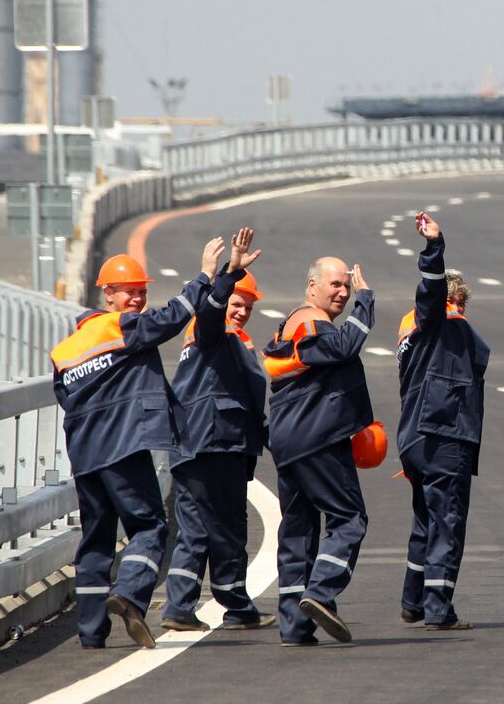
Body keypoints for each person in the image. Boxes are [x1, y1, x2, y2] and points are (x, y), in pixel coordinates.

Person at [50, 241, 221, 649]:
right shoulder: (124, 327)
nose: (138, 298)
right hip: (123, 448)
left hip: (86, 456)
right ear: (106, 294)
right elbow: (174, 316)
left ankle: (91, 632)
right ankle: (129, 595)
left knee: (96, 538)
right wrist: (205, 276)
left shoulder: (66, 350)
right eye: (128, 290)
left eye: (141, 291)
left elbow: (64, 398)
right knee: (149, 525)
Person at [163, 227, 275, 632]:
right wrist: (226, 274)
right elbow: (210, 311)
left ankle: (178, 606)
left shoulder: (231, 339)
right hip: (215, 444)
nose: (241, 311)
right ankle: (236, 604)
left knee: (194, 527)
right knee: (228, 526)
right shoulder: (212, 331)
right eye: (236, 303)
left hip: (196, 443)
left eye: (248, 305)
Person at [263, 256, 375, 646]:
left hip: (289, 442)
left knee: (298, 530)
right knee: (350, 518)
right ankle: (322, 592)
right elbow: (345, 346)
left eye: (348, 286)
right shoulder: (311, 321)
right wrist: (366, 300)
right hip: (317, 439)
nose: (343, 292)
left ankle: (294, 625)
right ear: (312, 286)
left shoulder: (293, 325)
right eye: (336, 285)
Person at [396, 212, 490, 631]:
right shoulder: (438, 323)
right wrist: (434, 248)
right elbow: (432, 294)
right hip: (443, 435)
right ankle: (438, 607)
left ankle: (413, 600)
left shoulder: (411, 333)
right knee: (448, 520)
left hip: (415, 436)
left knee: (426, 519)